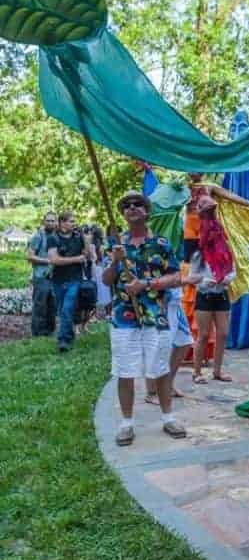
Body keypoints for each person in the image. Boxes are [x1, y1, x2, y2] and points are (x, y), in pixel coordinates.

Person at [102, 190, 185, 446]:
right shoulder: (116, 244)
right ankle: (126, 424)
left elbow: (176, 277)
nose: (132, 207)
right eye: (127, 205)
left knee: (160, 368)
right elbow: (106, 280)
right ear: (123, 214)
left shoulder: (161, 243)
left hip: (154, 315)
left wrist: (146, 284)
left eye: (138, 204)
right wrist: (115, 262)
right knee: (124, 370)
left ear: (147, 212)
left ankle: (168, 418)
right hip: (123, 317)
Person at [189, 195, 235, 384]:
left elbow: (232, 270)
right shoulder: (198, 252)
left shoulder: (224, 248)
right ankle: (197, 372)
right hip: (205, 295)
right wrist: (208, 281)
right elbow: (194, 277)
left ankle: (217, 370)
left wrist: (226, 279)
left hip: (220, 294)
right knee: (204, 334)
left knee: (223, 333)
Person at [47, 211, 91, 352]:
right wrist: (75, 259)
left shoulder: (79, 237)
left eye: (74, 221)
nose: (74, 223)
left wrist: (87, 241)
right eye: (71, 221)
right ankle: (69, 335)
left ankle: (63, 341)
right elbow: (54, 260)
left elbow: (88, 257)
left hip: (75, 279)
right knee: (62, 310)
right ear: (62, 223)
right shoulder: (53, 239)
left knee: (67, 309)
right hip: (58, 280)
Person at [27, 211, 58, 337]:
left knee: (53, 305)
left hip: (54, 277)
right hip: (41, 276)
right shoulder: (38, 236)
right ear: (43, 222)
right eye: (48, 220)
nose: (50, 223)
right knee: (40, 305)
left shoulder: (56, 237)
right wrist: (48, 261)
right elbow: (30, 256)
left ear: (56, 222)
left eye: (53, 220)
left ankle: (49, 332)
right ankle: (37, 333)